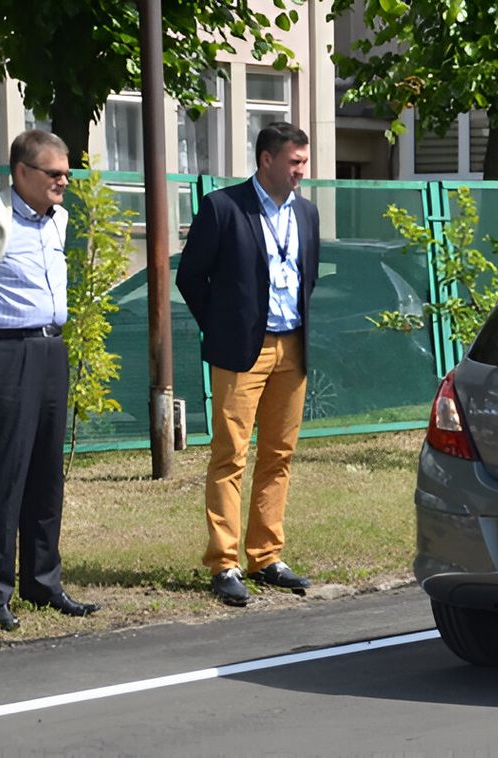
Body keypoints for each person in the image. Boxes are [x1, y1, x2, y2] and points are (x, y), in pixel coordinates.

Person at [0, 129, 100, 631]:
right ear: (22, 173)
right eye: (54, 173)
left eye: (67, 174)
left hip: (52, 350)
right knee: (2, 474)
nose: (63, 182)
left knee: (47, 473)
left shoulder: (59, 221)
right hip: (4, 353)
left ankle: (43, 581)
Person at [176, 122, 321, 606]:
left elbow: (308, 278)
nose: (303, 171)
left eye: (304, 161)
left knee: (279, 454)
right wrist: (221, 326)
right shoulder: (223, 207)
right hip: (242, 351)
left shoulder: (307, 213)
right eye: (296, 162)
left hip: (293, 346)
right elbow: (191, 277)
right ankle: (224, 562)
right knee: (230, 454)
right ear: (267, 160)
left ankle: (266, 556)